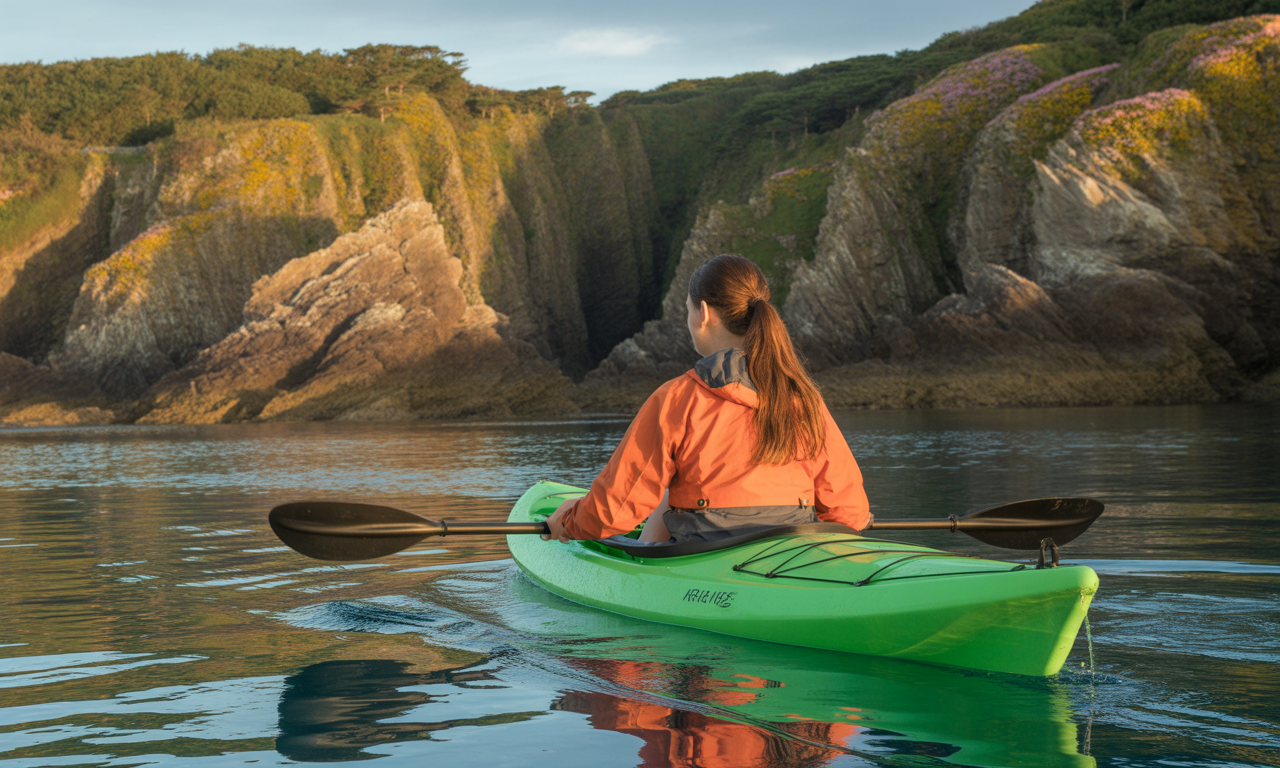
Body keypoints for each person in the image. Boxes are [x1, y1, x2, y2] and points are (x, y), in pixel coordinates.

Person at [542, 254, 869, 544]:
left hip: (710, 557)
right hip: (792, 553)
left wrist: (570, 522)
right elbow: (851, 512)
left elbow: (614, 511)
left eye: (687, 310)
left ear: (703, 313)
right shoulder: (803, 397)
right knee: (670, 495)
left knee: (670, 495)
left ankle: (647, 561)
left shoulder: (677, 399)